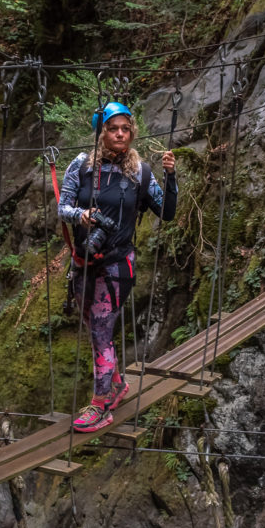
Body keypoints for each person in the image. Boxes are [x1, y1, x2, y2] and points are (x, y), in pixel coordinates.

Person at [58, 101, 178, 431]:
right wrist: (80, 216)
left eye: (126, 129)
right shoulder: (81, 166)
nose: (120, 134)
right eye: (114, 129)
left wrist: (170, 176)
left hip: (116, 266)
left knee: (100, 331)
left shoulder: (141, 173)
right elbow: (62, 205)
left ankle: (101, 405)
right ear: (102, 134)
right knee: (95, 328)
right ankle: (119, 385)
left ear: (132, 133)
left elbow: (166, 212)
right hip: (84, 261)